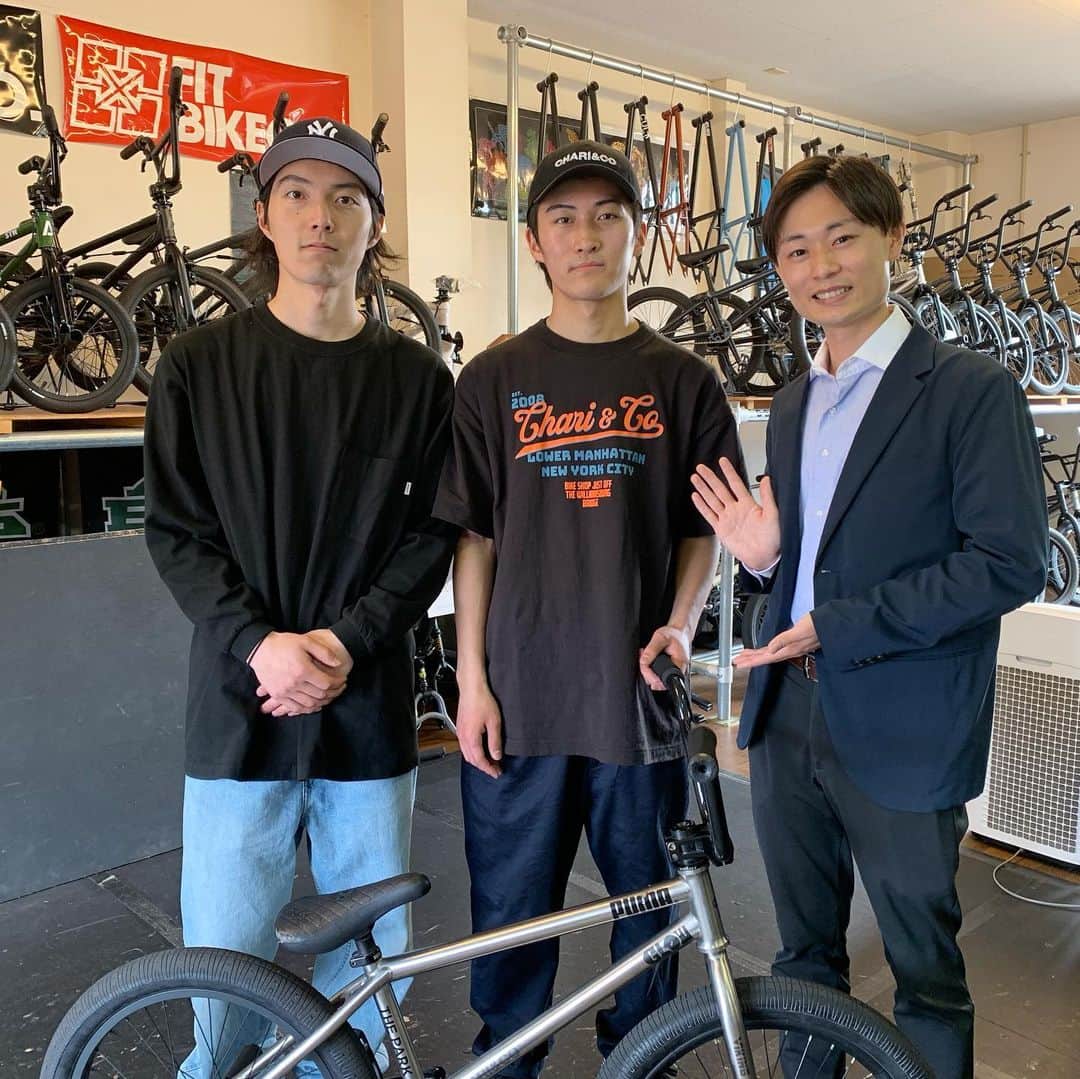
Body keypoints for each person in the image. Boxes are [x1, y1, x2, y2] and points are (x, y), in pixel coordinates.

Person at [690, 154, 1047, 1079]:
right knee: (804, 957)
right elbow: (814, 555)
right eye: (796, 250)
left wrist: (841, 624)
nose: (821, 267)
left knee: (924, 969)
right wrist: (766, 560)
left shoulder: (970, 388)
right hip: (789, 714)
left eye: (842, 238)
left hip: (905, 721)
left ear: (892, 238)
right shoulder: (795, 400)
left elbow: (1009, 562)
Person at [143, 117, 456, 1075]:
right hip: (240, 705)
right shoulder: (197, 367)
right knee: (224, 962)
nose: (322, 216)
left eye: (346, 198)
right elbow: (177, 531)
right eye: (298, 194)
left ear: (374, 224)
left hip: (366, 703)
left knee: (375, 963)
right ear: (266, 217)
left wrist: (347, 642)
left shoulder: (416, 378)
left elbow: (432, 534)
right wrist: (261, 643)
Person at [434, 140, 745, 1077]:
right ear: (534, 240)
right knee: (510, 914)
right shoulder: (493, 379)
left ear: (635, 235)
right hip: (520, 698)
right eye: (563, 218)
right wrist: (471, 679)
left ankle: (637, 1060)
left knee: (651, 911)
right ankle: (508, 1064)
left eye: (608, 215)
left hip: (636, 698)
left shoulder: (684, 380)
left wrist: (682, 622)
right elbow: (475, 538)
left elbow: (704, 527)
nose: (586, 236)